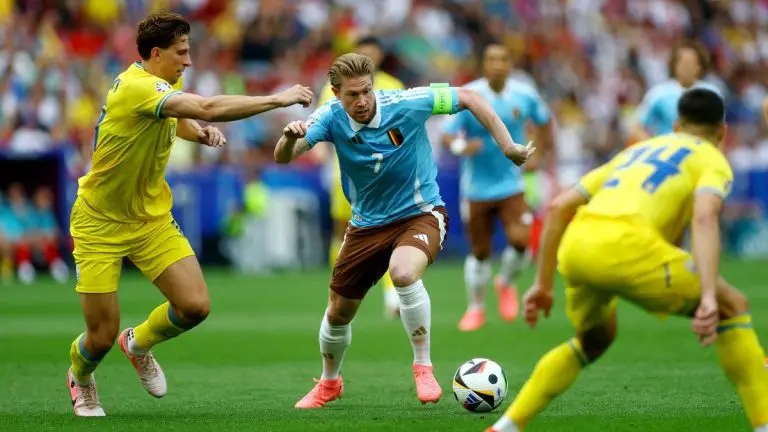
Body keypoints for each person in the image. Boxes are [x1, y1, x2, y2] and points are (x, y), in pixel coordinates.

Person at [66, 12, 313, 417]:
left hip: (150, 219)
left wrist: (196, 132)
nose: (189, 60)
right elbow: (208, 107)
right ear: (156, 53)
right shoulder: (137, 87)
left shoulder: (157, 87)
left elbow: (170, 118)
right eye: (181, 52)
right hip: (99, 223)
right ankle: (80, 376)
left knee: (195, 306)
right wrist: (277, 99)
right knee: (100, 335)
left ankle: (138, 343)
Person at [486, 88, 768, 432]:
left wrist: (543, 286)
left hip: (578, 246)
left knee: (593, 340)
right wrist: (708, 295)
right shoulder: (712, 158)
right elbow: (705, 218)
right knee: (732, 305)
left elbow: (558, 208)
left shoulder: (637, 151)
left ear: (676, 125)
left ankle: (506, 426)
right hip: (629, 246)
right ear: (722, 132)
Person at [274, 53, 535, 409]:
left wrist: (508, 146)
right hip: (366, 225)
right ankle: (329, 383)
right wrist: (289, 138)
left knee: (403, 272)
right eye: (352, 94)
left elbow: (470, 97)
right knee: (337, 312)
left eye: (366, 91)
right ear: (336, 94)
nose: (362, 101)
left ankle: (423, 367)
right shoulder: (329, 117)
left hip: (420, 213)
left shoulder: (407, 103)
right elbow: (284, 156)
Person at [441, 42, 553, 332]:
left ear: (510, 64)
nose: (497, 65)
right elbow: (447, 135)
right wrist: (462, 146)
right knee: (480, 251)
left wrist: (538, 154)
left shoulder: (525, 95)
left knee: (521, 243)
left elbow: (545, 122)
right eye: (491, 59)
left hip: (511, 183)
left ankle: (504, 282)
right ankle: (476, 308)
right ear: (484, 64)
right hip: (476, 187)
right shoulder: (469, 94)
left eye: (503, 59)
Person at [316, 36, 405, 319]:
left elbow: (401, 129)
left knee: (389, 231)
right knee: (342, 231)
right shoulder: (333, 88)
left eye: (373, 53)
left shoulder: (393, 85)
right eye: (363, 52)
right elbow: (324, 123)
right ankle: (340, 288)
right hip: (345, 172)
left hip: (384, 173)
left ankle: (392, 296)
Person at [630, 40, 721, 142]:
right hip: (669, 149)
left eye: (691, 63)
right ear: (674, 66)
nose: (687, 68)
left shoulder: (711, 94)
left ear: (699, 66)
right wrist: (655, 145)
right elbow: (636, 127)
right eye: (683, 63)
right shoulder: (659, 93)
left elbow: (719, 128)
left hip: (701, 150)